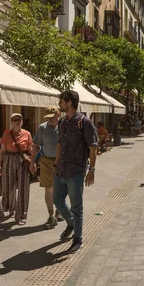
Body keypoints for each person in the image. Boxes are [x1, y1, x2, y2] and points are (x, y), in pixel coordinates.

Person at [55, 90, 98, 253]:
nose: (59, 103)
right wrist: (55, 165)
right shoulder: (62, 122)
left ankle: (77, 238)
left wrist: (91, 170)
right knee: (57, 200)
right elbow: (60, 144)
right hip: (61, 170)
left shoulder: (84, 122)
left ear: (70, 102)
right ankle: (71, 223)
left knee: (76, 206)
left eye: (62, 101)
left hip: (76, 170)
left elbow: (93, 147)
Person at [0, 113, 34, 226]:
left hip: (22, 160)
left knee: (23, 187)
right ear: (11, 122)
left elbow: (30, 149)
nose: (17, 122)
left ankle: (22, 214)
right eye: (14, 120)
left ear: (22, 122)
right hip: (8, 159)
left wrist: (33, 161)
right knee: (8, 186)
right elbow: (2, 151)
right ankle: (11, 208)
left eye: (19, 120)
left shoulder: (27, 134)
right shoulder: (7, 135)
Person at [30, 106, 62, 231]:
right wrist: (32, 162)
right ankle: (51, 215)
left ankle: (60, 209)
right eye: (48, 118)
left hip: (61, 162)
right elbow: (35, 146)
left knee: (61, 187)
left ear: (57, 115)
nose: (50, 120)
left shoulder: (64, 127)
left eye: (52, 117)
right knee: (48, 188)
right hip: (46, 161)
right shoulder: (42, 128)